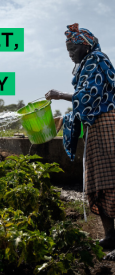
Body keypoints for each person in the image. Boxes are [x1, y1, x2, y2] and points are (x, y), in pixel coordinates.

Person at [45, 23, 115, 260]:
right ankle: (110, 236)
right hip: (95, 127)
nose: (70, 54)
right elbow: (85, 103)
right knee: (99, 181)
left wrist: (60, 95)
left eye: (73, 48)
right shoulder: (86, 64)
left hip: (107, 125)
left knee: (112, 180)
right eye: (68, 50)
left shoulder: (97, 59)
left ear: (85, 46)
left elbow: (90, 95)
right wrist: (66, 118)